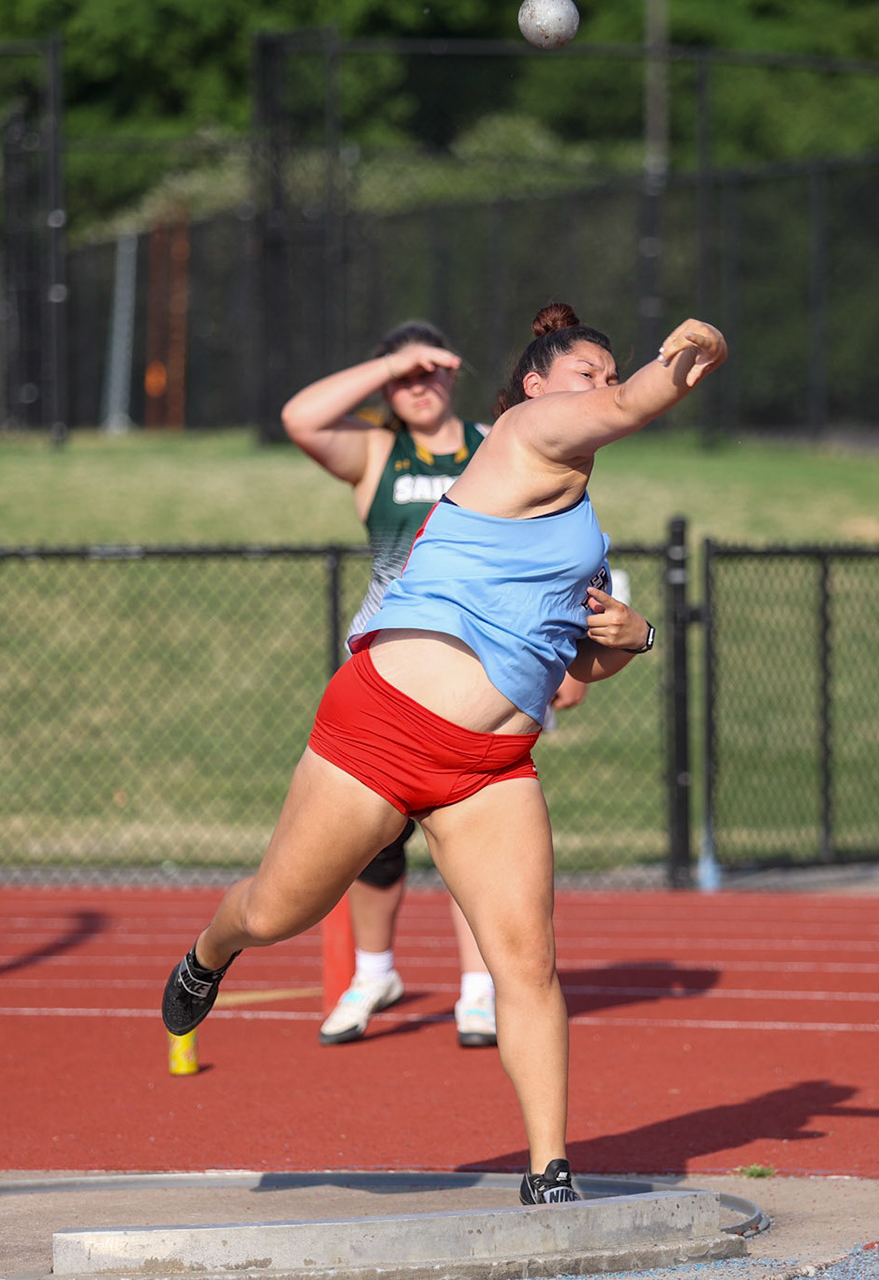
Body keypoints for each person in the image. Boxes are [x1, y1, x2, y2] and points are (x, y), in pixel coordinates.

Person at [163, 303, 726, 1202]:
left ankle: (549, 1170)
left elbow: (581, 660)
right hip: (381, 730)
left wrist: (634, 635)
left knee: (528, 965)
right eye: (590, 372)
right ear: (537, 386)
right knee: (277, 913)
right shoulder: (521, 433)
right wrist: (695, 351)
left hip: (489, 770)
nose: (605, 388)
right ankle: (208, 951)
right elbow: (629, 410)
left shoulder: (582, 524)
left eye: (613, 373)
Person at [279, 320, 584, 1050]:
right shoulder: (379, 452)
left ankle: (479, 989)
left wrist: (571, 661)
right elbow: (300, 417)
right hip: (389, 671)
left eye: (430, 372)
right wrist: (389, 363)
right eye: (404, 379)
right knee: (369, 844)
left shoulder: (498, 441)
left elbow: (563, 542)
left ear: (454, 374)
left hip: (483, 674)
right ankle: (374, 972)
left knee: (467, 833)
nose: (418, 387)